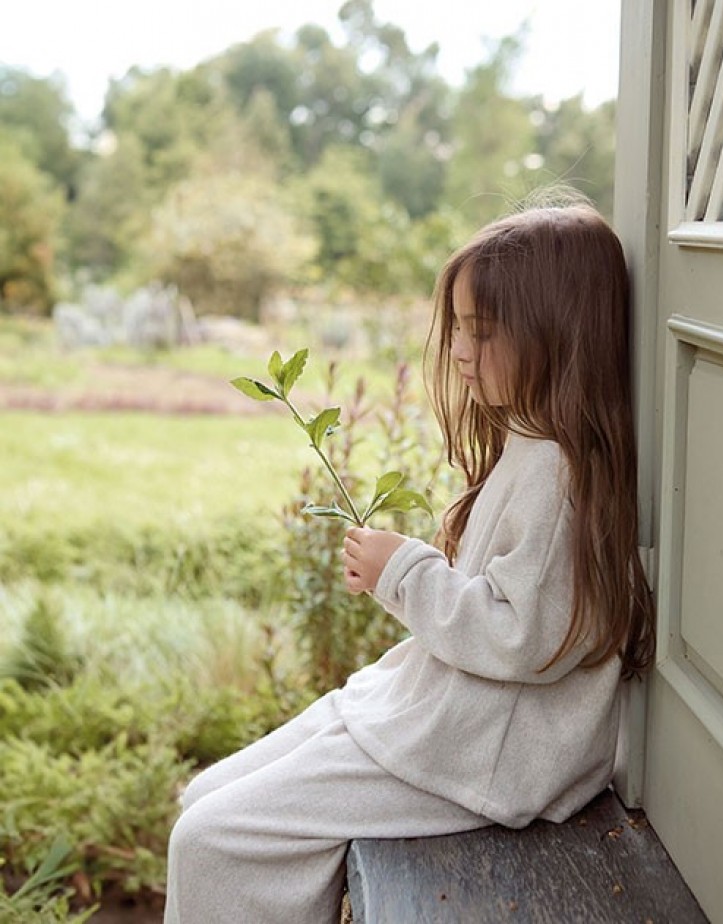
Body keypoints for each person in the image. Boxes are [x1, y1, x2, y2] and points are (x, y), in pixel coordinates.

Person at [163, 197, 656, 924]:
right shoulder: (534, 443)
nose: (459, 350)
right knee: (204, 800)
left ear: (558, 335)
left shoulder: (558, 478)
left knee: (212, 839)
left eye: (482, 332)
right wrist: (405, 574)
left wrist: (406, 571)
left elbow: (521, 636)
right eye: (458, 327)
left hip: (487, 759)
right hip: (459, 723)